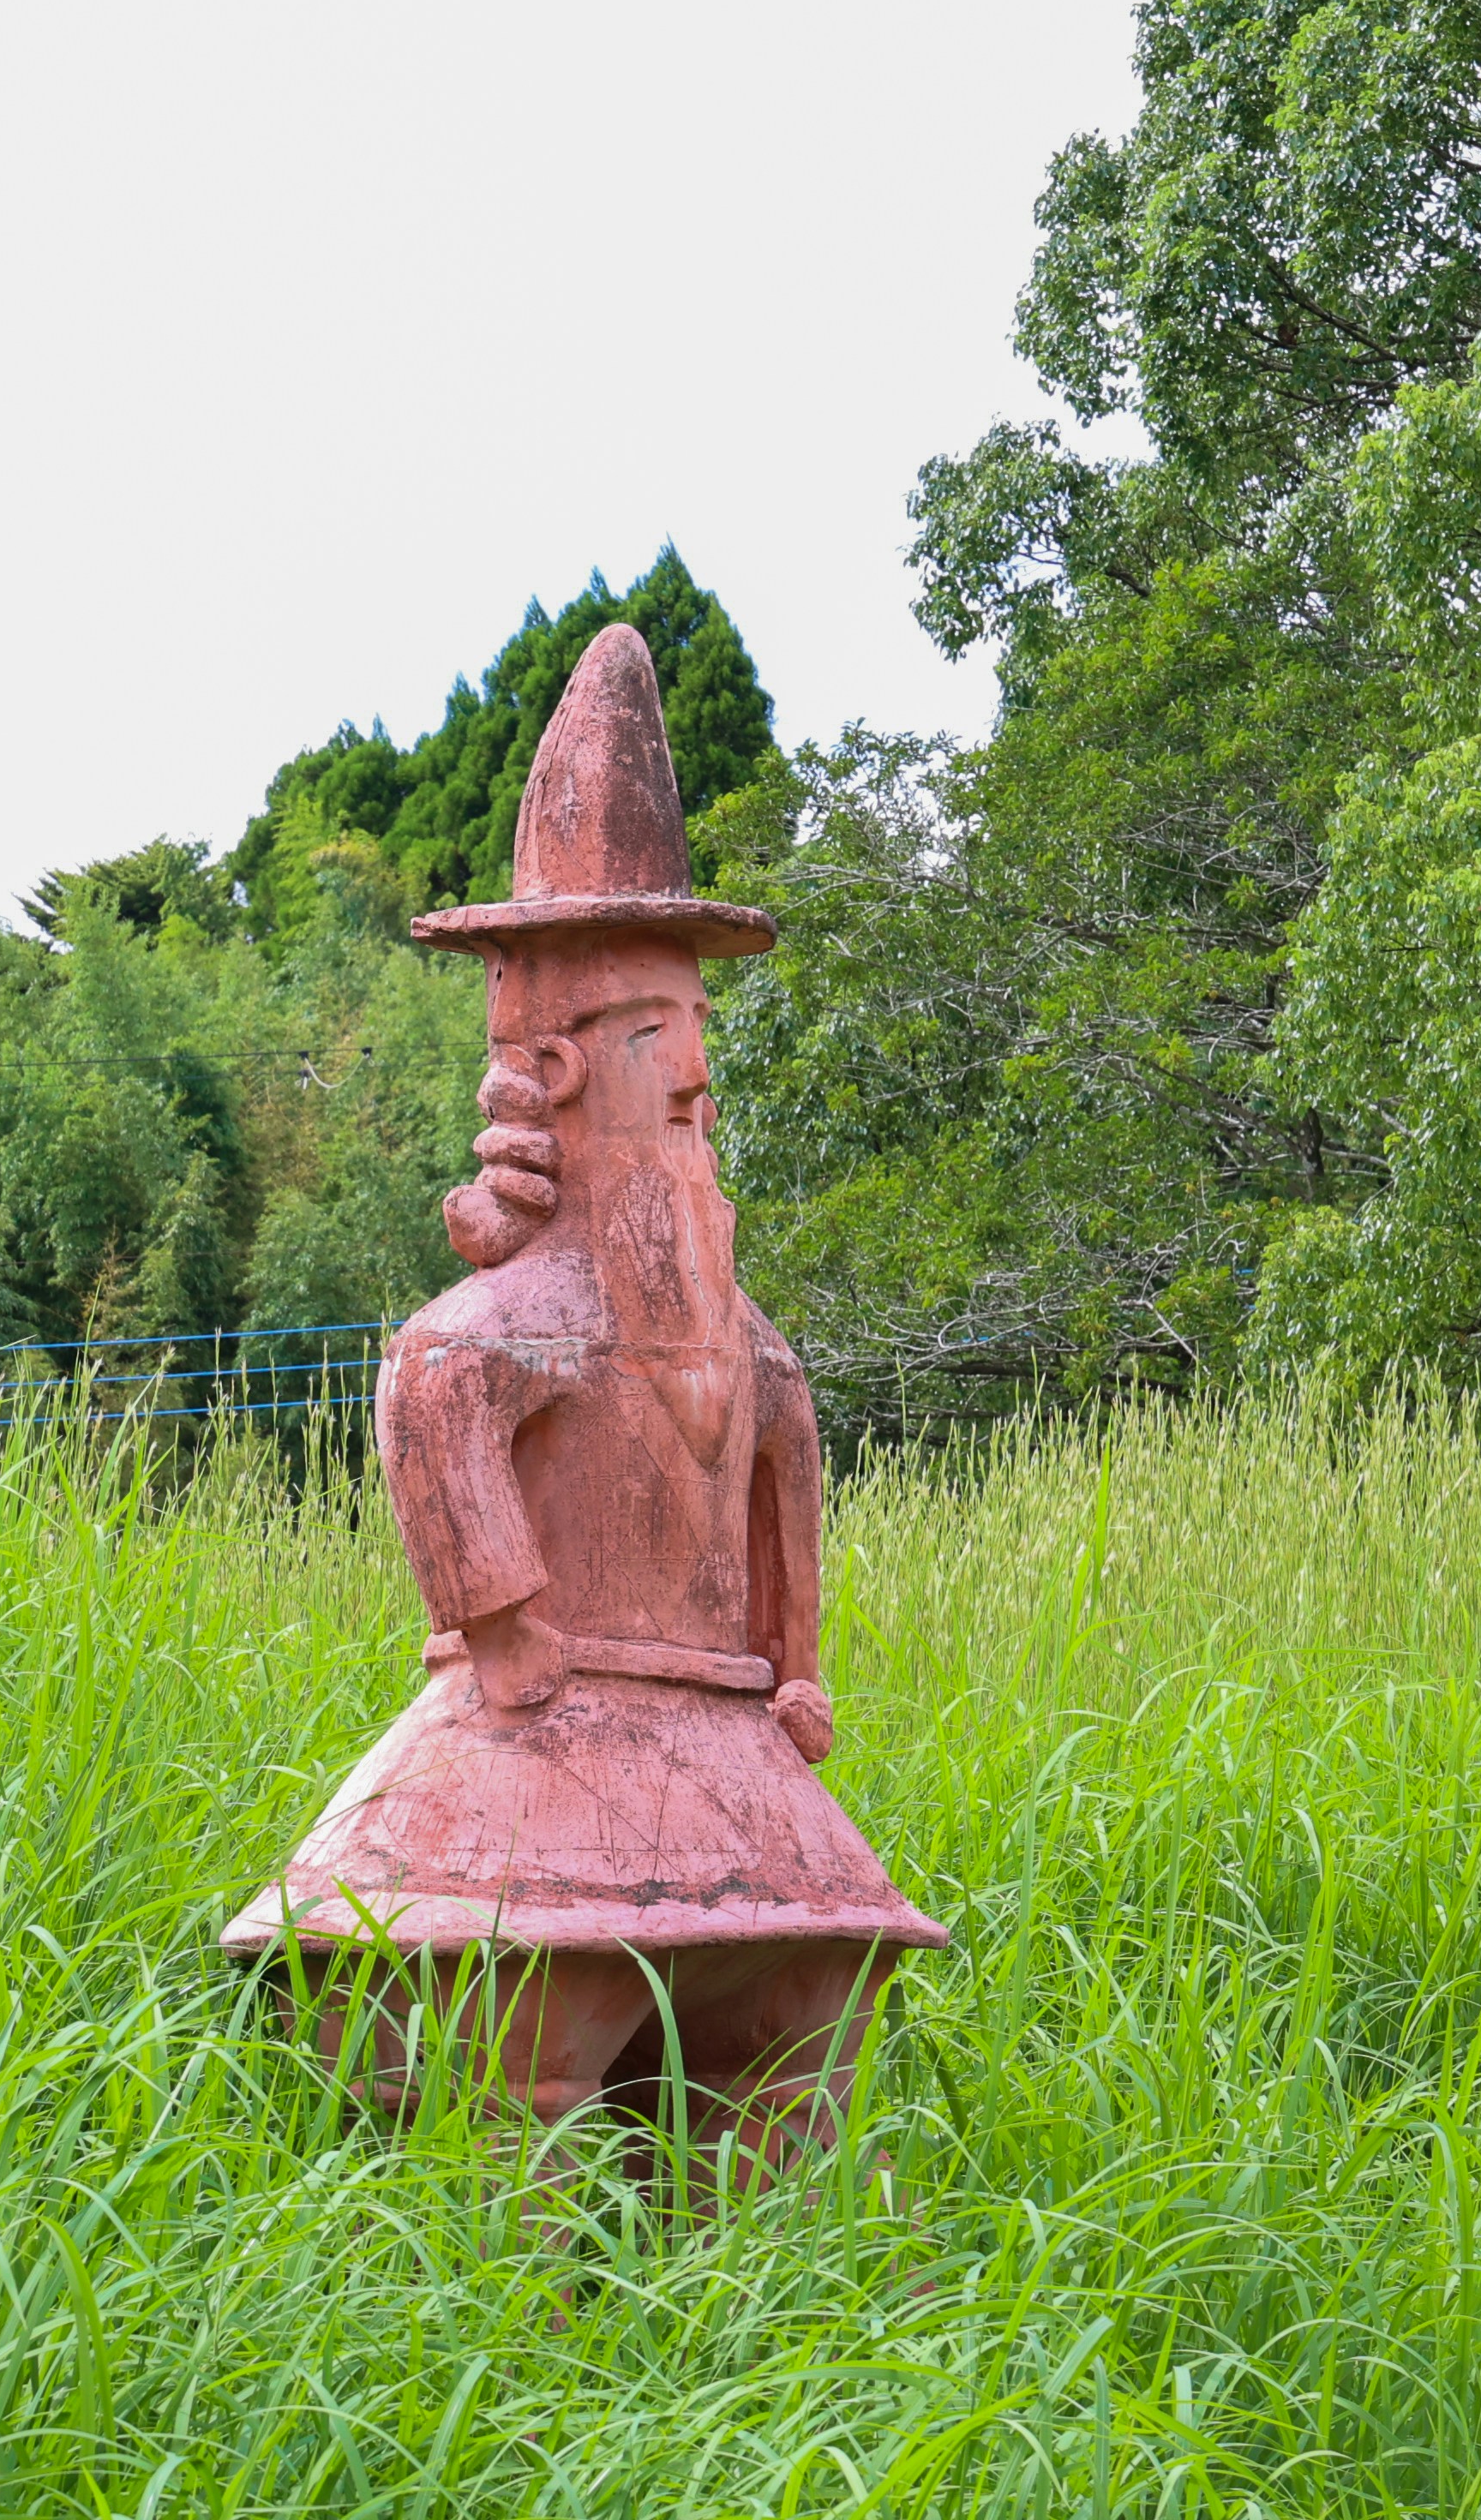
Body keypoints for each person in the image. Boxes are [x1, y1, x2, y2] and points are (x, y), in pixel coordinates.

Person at [224, 626, 945, 2177]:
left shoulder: (742, 1338)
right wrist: (506, 1628)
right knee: (506, 2100)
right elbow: (436, 1387)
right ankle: (516, 2359)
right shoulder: (527, 1314)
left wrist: (793, 1664)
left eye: (697, 1051)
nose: (690, 1089)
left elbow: (787, 1464)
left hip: (737, 1770)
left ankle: (762, 2354)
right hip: (537, 1758)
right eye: (646, 1047)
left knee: (785, 2074)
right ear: (547, 1069)